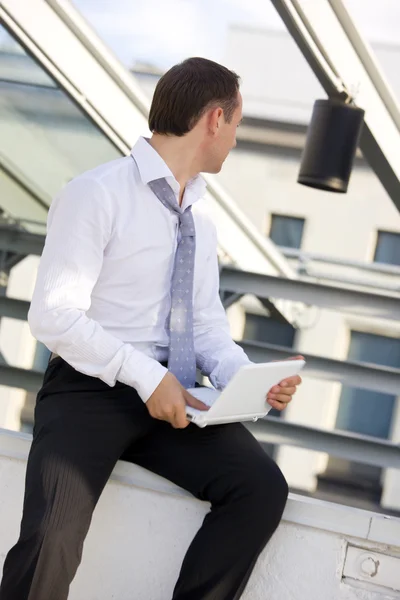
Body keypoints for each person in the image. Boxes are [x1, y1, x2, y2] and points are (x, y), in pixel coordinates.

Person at [0, 57, 302, 600]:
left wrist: (248, 377)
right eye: (236, 124)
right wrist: (146, 376)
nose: (235, 138)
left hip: (173, 397)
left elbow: (207, 325)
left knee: (259, 488)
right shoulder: (96, 193)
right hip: (89, 388)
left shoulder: (203, 219)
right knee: (51, 537)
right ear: (214, 119)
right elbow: (52, 315)